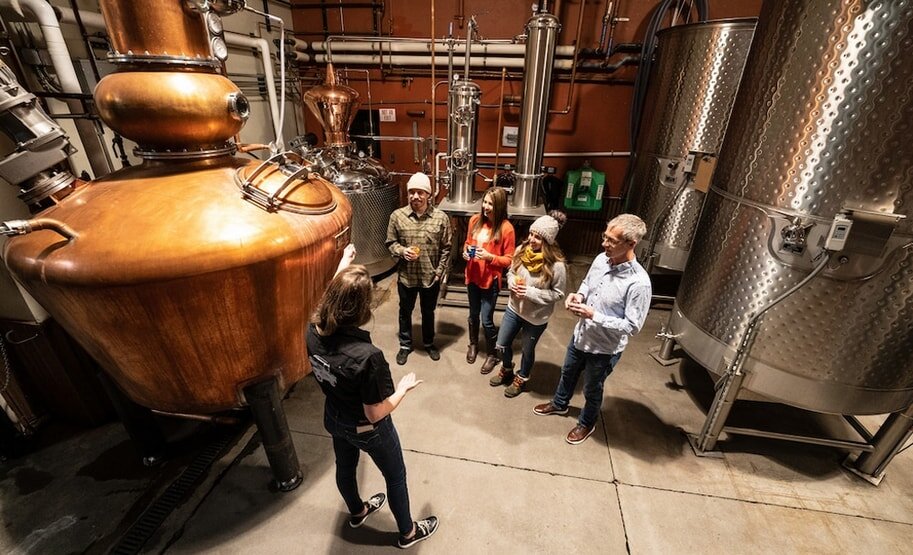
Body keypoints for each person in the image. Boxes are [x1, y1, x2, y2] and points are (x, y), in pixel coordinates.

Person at [306, 255, 439, 549]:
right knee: (395, 476)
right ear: (365, 308)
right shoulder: (367, 357)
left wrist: (343, 262)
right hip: (366, 428)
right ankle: (408, 533)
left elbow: (331, 296)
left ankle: (358, 511)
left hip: (334, 417)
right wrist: (402, 390)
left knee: (345, 466)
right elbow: (375, 411)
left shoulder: (313, 331)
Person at [533, 214, 651, 445]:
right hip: (581, 336)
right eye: (604, 237)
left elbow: (633, 326)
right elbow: (587, 283)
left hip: (605, 348)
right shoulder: (601, 259)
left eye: (611, 241)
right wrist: (578, 295)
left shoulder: (639, 283)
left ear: (631, 244)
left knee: (591, 388)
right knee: (567, 372)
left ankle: (587, 422)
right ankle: (559, 403)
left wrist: (593, 315)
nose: (604, 244)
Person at [488, 211, 568, 397]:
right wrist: (511, 282)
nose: (532, 239)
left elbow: (558, 294)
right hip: (514, 309)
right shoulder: (520, 251)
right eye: (532, 234)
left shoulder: (557, 265)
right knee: (502, 344)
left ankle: (522, 377)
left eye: (538, 237)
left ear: (547, 241)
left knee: (526, 350)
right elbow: (511, 272)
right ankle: (507, 369)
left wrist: (531, 293)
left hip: (535, 317)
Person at [386, 172, 452, 366]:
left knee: (428, 311)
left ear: (428, 195)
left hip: (429, 277)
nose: (415, 196)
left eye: (420, 192)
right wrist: (401, 250)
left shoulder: (441, 218)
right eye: (412, 192)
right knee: (404, 311)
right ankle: (405, 345)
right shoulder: (397, 216)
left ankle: (429, 342)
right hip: (406, 276)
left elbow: (447, 248)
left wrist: (439, 272)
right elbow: (390, 242)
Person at [462, 187, 516, 374]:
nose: (485, 206)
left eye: (490, 203)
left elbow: (509, 259)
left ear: (499, 205)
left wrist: (490, 257)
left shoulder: (506, 228)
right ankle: (473, 345)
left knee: (487, 320)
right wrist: (465, 251)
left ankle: (492, 354)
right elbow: (468, 242)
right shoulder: (475, 221)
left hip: (490, 281)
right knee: (473, 314)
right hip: (472, 276)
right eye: (484, 202)